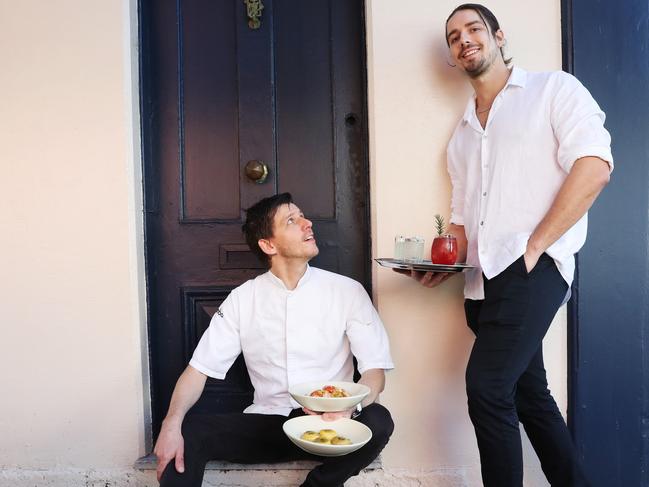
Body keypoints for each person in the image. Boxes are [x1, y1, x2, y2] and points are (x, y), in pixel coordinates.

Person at [400, 4, 613, 486]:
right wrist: (441, 264)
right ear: (453, 58)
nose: (464, 40)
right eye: (453, 37)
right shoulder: (461, 136)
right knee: (527, 395)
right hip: (480, 284)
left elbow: (595, 166)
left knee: (488, 388)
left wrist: (535, 246)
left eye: (473, 29)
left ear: (498, 36)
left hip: (532, 270)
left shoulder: (553, 90)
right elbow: (460, 222)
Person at [154, 192, 394, 487]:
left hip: (332, 425)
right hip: (270, 424)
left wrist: (350, 409)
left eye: (302, 216)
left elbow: (374, 371)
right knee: (189, 431)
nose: (307, 223)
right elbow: (198, 369)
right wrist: (170, 423)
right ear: (268, 244)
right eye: (292, 220)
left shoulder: (348, 291)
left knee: (379, 420)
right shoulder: (243, 299)